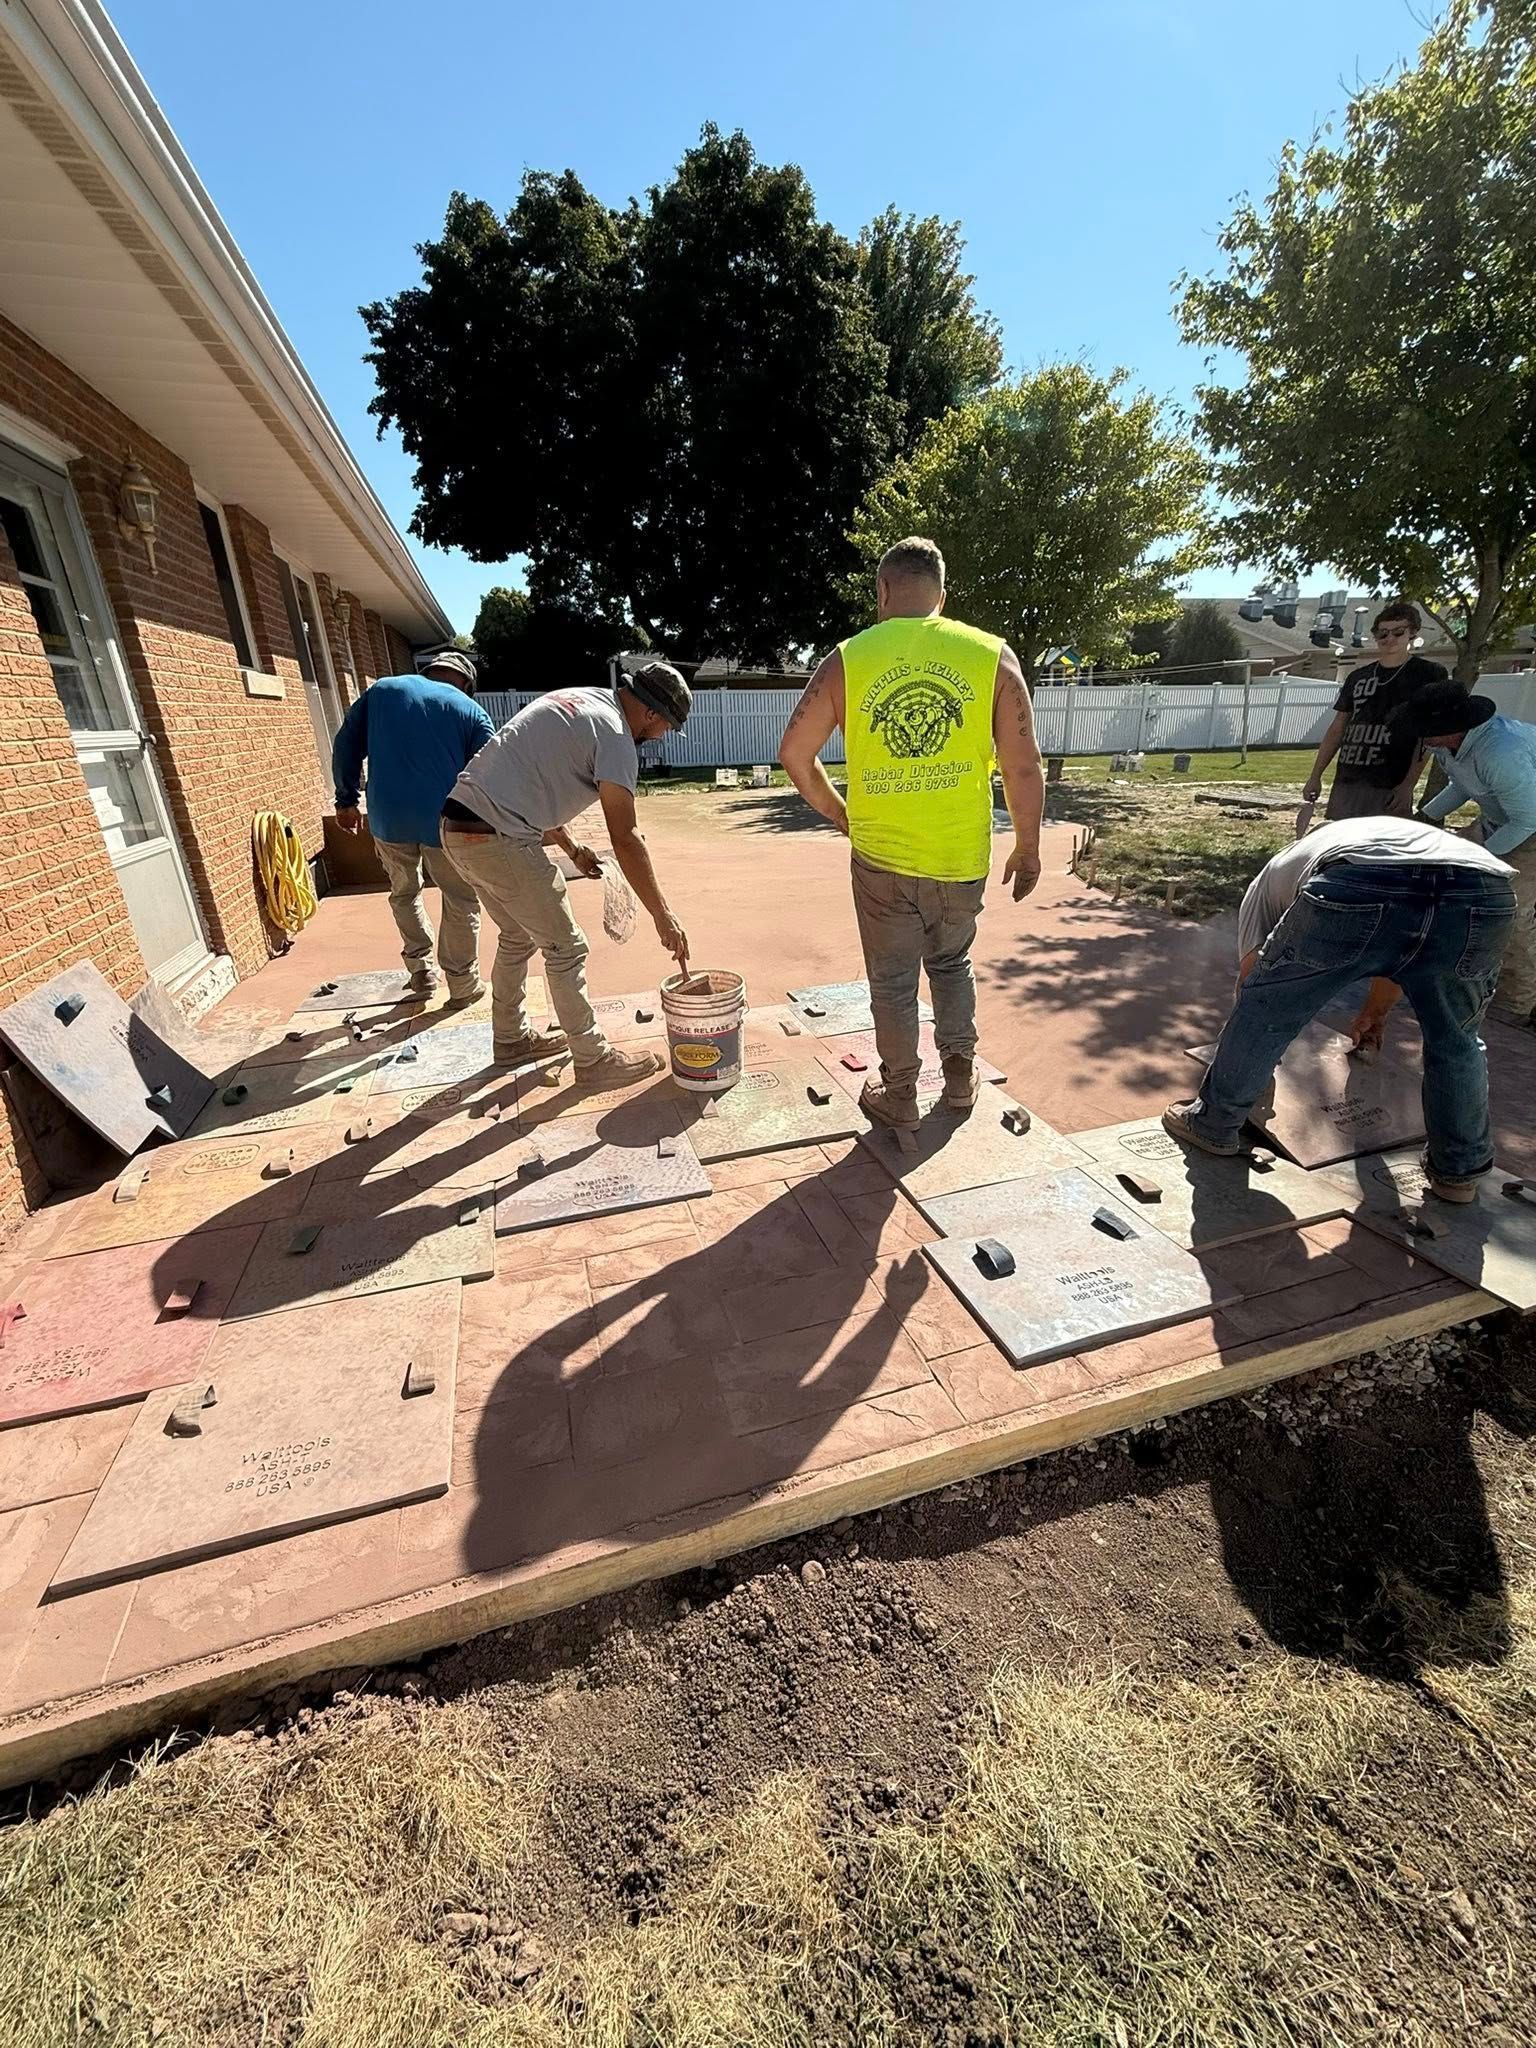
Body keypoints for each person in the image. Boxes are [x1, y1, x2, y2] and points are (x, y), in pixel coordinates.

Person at [778, 535, 1045, 1128]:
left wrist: (841, 812)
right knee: (951, 965)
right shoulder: (992, 656)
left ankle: (899, 1093)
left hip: (881, 857)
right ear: (941, 597)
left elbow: (795, 753)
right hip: (960, 856)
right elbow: (1023, 765)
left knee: (893, 982)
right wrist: (1028, 849)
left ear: (882, 591)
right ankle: (958, 1076)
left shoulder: (847, 659)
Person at [1162, 815, 1516, 1203]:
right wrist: (1375, 1014)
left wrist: (1256, 1066)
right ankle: (1459, 1173)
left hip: (1359, 880)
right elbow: (1405, 952)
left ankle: (1213, 1124)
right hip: (1481, 891)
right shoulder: (1393, 836)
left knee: (1266, 1011)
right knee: (1456, 1038)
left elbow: (1255, 987)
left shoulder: (1269, 880)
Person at [439, 662, 693, 1083]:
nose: (663, 734)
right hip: (497, 838)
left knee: (518, 936)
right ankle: (593, 1060)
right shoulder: (615, 737)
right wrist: (663, 916)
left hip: (458, 828)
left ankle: (511, 1038)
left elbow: (527, 776)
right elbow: (627, 837)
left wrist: (572, 849)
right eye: (667, 725)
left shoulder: (583, 700)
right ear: (651, 714)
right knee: (566, 947)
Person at [331, 650, 495, 1000]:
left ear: (429, 670)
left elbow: (345, 743)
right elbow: (487, 776)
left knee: (405, 892)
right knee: (461, 898)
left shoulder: (383, 690)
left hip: (388, 817)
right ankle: (464, 984)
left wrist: (345, 800)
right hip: (445, 822)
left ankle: (421, 971)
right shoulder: (471, 711)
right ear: (466, 682)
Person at [1410, 681, 1536, 1027]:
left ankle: (1517, 1006)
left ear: (1449, 728)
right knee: (1452, 890)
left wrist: (1481, 857)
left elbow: (1527, 818)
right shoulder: (1447, 746)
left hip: (1530, 826)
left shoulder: (1501, 752)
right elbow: (1462, 785)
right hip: (1502, 817)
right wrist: (1423, 818)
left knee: (1511, 911)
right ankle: (1459, 973)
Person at [1302, 600, 1449, 820]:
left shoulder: (1428, 674)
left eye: (1398, 633)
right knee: (1341, 843)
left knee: (1381, 846)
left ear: (1412, 633)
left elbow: (1426, 736)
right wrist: (1315, 776)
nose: (1389, 639)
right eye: (1383, 634)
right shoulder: (1358, 677)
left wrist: (1408, 784)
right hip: (1349, 778)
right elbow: (1338, 728)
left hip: (1390, 781)